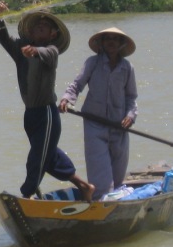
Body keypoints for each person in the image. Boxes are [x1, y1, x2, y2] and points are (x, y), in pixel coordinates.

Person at [0, 1, 94, 201]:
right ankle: (84, 186)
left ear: (52, 35)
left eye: (46, 26)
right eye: (37, 25)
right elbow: (2, 37)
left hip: (46, 114)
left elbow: (47, 54)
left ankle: (27, 194)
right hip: (30, 114)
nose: (41, 27)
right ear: (30, 31)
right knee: (49, 158)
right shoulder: (20, 49)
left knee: (37, 157)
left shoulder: (51, 51)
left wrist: (36, 51)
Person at [58, 26, 138, 199]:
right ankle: (100, 211)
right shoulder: (92, 63)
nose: (111, 42)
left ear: (121, 44)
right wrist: (66, 99)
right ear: (101, 43)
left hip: (119, 128)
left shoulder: (127, 68)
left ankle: (114, 211)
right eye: (107, 38)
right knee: (102, 182)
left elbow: (131, 97)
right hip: (95, 126)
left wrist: (130, 116)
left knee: (117, 181)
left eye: (115, 39)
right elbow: (77, 85)